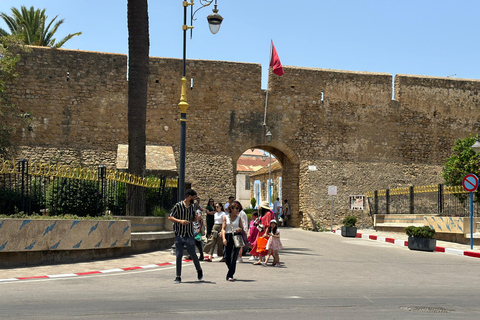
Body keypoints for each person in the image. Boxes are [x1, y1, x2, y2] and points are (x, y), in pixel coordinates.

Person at [168, 189, 203, 284]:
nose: (195, 199)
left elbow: (193, 219)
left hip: (189, 234)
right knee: (178, 255)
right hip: (179, 234)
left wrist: (197, 219)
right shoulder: (178, 206)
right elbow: (170, 217)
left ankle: (199, 269)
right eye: (194, 197)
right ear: (189, 196)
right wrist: (180, 221)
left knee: (193, 253)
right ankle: (178, 276)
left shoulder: (192, 207)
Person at [222, 202, 245, 281]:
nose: (238, 210)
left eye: (238, 209)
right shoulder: (225, 217)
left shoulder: (239, 218)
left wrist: (240, 229)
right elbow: (223, 229)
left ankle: (230, 275)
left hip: (236, 236)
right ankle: (231, 270)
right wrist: (224, 238)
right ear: (231, 209)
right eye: (236, 208)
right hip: (228, 236)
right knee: (226, 256)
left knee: (234, 256)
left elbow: (242, 228)